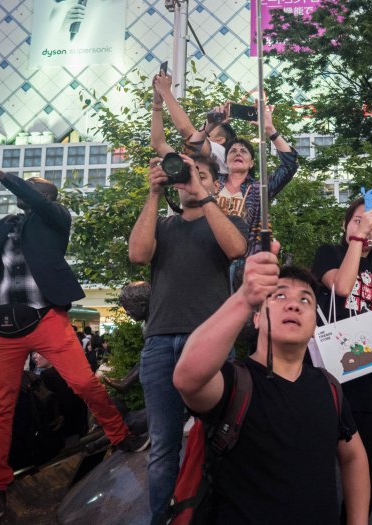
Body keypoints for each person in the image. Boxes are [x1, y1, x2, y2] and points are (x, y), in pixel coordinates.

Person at [0, 141, 148, 519]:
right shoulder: (5, 227)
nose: (25, 190)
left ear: (43, 195)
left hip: (45, 317)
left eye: (32, 186)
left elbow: (31, 195)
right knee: (1, 408)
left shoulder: (56, 218)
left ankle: (120, 434)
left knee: (83, 383)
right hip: (2, 327)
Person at [173, 245, 370, 524]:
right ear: (256, 317)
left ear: (315, 323)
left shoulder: (328, 386)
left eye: (306, 300)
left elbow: (353, 457)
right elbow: (187, 378)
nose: (293, 304)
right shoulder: (235, 383)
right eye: (279, 296)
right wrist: (244, 297)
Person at [128, 151, 247, 522]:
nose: (193, 180)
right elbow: (137, 254)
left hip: (209, 342)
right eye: (188, 175)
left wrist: (204, 194)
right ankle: (161, 518)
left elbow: (236, 250)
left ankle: (213, 514)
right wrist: (152, 194)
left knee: (218, 436)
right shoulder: (162, 225)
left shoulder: (228, 221)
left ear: (214, 182)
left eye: (203, 175)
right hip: (161, 341)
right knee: (163, 445)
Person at [311, 197, 372, 514]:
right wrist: (358, 238)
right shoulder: (331, 253)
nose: (366, 227)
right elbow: (341, 287)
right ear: (345, 225)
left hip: (369, 367)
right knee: (321, 454)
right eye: (357, 220)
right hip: (332, 367)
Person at [150, 70, 299, 257]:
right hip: (207, 252)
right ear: (224, 159)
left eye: (244, 151)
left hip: (244, 259)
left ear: (252, 163)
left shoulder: (258, 189)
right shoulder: (213, 181)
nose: (238, 152)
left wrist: (270, 130)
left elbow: (290, 165)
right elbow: (191, 144)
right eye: (233, 150)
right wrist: (209, 125)